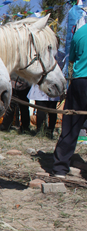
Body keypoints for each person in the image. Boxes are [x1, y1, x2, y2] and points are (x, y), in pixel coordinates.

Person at [52, 22, 87, 178]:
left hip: (80, 82)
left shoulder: (80, 32)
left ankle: (60, 168)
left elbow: (71, 58)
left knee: (71, 125)